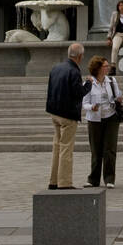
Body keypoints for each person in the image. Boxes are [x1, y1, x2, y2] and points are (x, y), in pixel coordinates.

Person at [45, 43, 88, 189]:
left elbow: (50, 89)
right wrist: (88, 84)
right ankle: (64, 182)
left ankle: (53, 181)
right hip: (68, 115)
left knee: (57, 147)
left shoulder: (56, 68)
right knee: (66, 149)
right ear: (80, 56)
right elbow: (78, 93)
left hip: (54, 112)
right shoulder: (74, 71)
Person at [82, 56, 123, 188]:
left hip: (111, 117)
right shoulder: (88, 83)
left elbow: (118, 95)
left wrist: (119, 99)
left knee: (110, 149)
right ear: (98, 68)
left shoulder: (111, 80)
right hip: (94, 119)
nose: (108, 68)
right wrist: (91, 107)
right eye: (105, 66)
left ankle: (109, 179)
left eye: (107, 66)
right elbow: (84, 103)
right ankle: (93, 179)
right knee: (96, 149)